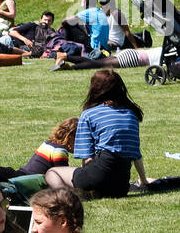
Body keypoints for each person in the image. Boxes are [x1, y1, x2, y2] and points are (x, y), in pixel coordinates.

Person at [45, 69, 148, 198]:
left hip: (98, 173)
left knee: (52, 173)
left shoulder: (89, 115)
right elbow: (136, 155)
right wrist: (143, 182)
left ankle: (68, 197)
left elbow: (87, 157)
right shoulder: (131, 115)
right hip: (121, 185)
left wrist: (84, 181)